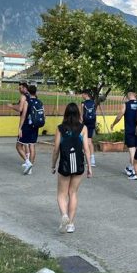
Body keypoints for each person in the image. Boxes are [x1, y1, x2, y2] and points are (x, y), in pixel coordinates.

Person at [51, 102, 92, 233]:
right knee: (73, 193)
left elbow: (56, 149)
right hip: (78, 164)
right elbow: (86, 149)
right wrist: (89, 167)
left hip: (65, 165)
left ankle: (64, 215)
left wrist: (53, 165)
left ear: (66, 114)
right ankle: (71, 225)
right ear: (78, 114)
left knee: (61, 194)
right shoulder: (83, 128)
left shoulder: (60, 128)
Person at [111, 90, 137, 179]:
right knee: (135, 151)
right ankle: (130, 168)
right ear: (135, 96)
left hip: (130, 131)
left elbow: (119, 116)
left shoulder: (126, 105)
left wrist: (113, 124)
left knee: (132, 151)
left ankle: (134, 173)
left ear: (127, 97)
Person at [18, 84, 40, 175]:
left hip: (27, 126)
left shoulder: (27, 102)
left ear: (28, 91)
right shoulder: (40, 102)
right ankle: (30, 168)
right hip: (35, 126)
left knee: (19, 146)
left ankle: (27, 162)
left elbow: (23, 115)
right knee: (32, 146)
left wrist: (20, 128)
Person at [9, 83, 30, 169]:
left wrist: (11, 106)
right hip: (31, 122)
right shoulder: (31, 96)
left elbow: (20, 109)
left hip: (24, 122)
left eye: (20, 88)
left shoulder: (23, 96)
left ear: (24, 88)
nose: (19, 90)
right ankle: (28, 160)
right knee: (26, 143)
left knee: (18, 146)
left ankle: (27, 162)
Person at [81, 90, 97, 167]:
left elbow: (81, 115)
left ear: (86, 94)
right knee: (90, 141)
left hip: (85, 124)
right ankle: (92, 159)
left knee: (85, 141)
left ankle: (87, 159)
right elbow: (95, 114)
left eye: (82, 94)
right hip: (92, 123)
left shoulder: (83, 103)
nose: (82, 96)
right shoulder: (93, 103)